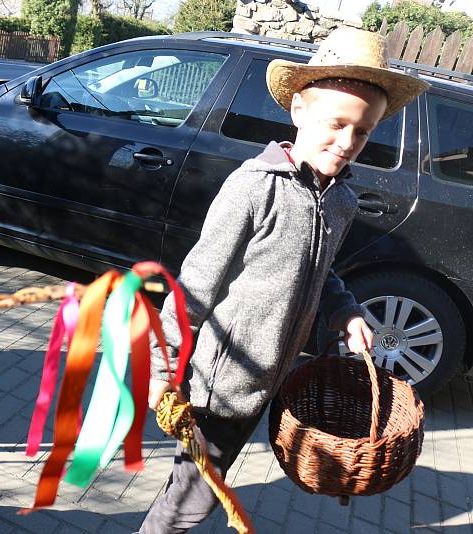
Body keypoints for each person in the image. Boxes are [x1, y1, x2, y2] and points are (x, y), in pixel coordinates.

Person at [138, 27, 430, 533]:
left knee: (203, 483)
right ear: (298, 111)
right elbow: (196, 285)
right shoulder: (254, 190)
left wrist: (345, 311)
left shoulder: (339, 199)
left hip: (272, 379)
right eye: (336, 124)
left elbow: (323, 272)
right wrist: (162, 371)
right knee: (193, 500)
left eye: (361, 132)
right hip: (219, 385)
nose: (346, 143)